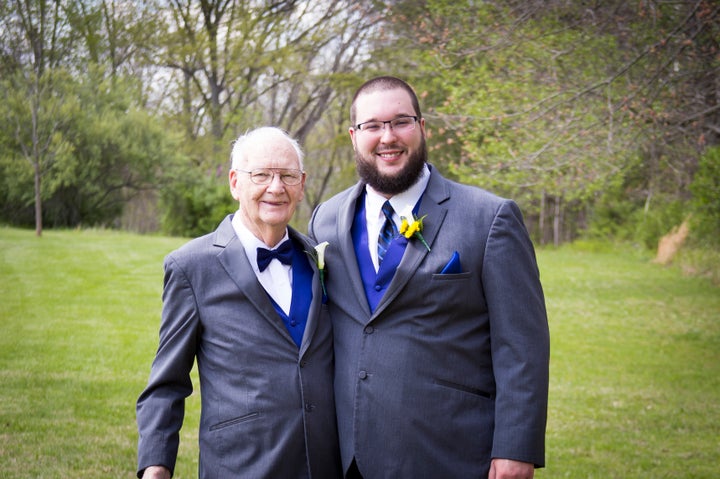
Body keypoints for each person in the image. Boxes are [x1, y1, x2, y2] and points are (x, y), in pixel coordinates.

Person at [308, 76, 550, 479]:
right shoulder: (325, 221)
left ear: (423, 128)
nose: (388, 137)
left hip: (449, 452)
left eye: (401, 122)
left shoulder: (488, 218)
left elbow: (522, 344)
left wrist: (516, 447)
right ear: (354, 136)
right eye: (372, 126)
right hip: (348, 456)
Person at [136, 126, 341, 479]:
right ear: (235, 182)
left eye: (288, 176)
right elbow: (166, 382)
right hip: (242, 466)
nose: (276, 188)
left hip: (324, 465)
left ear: (302, 184)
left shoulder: (321, 258)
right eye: (261, 175)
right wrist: (156, 467)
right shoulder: (192, 266)